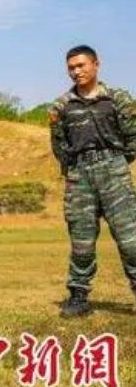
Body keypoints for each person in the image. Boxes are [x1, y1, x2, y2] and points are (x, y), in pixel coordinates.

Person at [50, 45, 136, 317]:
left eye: (81, 65)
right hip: (80, 175)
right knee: (81, 241)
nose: (76, 71)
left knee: (130, 239)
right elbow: (59, 146)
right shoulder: (61, 106)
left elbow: (133, 138)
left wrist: (116, 162)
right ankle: (78, 296)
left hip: (114, 171)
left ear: (96, 64)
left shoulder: (118, 98)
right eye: (71, 67)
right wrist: (77, 168)